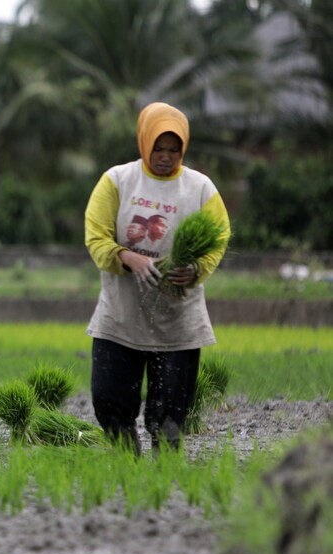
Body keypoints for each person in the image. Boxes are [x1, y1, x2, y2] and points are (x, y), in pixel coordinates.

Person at [83, 102, 230, 453]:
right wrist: (126, 256)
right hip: (122, 316)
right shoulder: (117, 181)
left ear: (184, 148)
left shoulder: (200, 188)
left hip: (177, 321)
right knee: (110, 401)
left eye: (174, 149)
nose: (165, 156)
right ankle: (126, 469)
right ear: (144, 143)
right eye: (158, 148)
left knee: (169, 419)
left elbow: (218, 238)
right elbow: (96, 237)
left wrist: (194, 270)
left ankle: (165, 481)